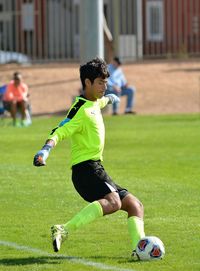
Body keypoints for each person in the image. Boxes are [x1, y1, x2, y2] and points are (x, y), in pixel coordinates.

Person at [33, 57, 145, 257]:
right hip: (85, 170)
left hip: (96, 169)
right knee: (114, 202)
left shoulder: (94, 102)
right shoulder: (79, 110)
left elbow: (98, 103)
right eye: (100, 82)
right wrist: (45, 150)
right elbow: (60, 130)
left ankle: (139, 250)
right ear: (87, 82)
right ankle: (63, 229)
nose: (104, 86)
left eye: (106, 82)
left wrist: (109, 99)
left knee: (135, 206)